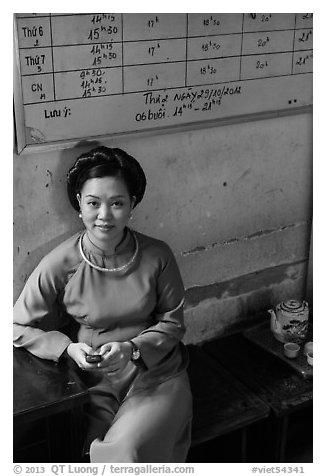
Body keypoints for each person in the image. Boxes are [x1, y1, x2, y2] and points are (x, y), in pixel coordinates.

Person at [13, 145, 193, 463]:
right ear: (79, 205)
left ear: (133, 204)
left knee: (124, 452)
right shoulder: (60, 262)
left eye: (117, 203)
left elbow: (174, 322)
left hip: (156, 375)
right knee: (80, 453)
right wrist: (66, 349)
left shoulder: (157, 255)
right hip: (93, 381)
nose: (104, 216)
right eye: (94, 203)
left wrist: (132, 348)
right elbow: (16, 325)